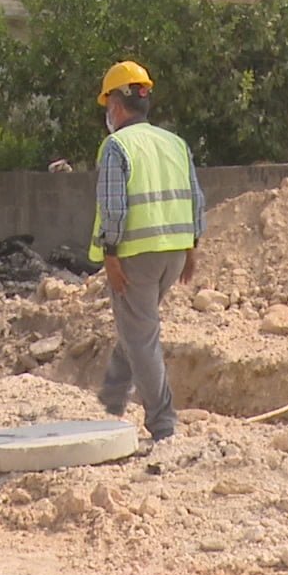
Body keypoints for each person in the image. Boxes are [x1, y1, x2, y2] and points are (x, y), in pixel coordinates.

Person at [87, 60, 204, 444]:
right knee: (136, 327)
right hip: (173, 252)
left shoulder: (116, 146)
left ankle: (162, 424)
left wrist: (110, 253)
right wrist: (192, 247)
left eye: (107, 105)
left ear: (116, 106)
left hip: (135, 253)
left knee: (141, 336)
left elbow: (114, 207)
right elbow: (195, 198)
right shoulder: (175, 143)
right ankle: (111, 403)